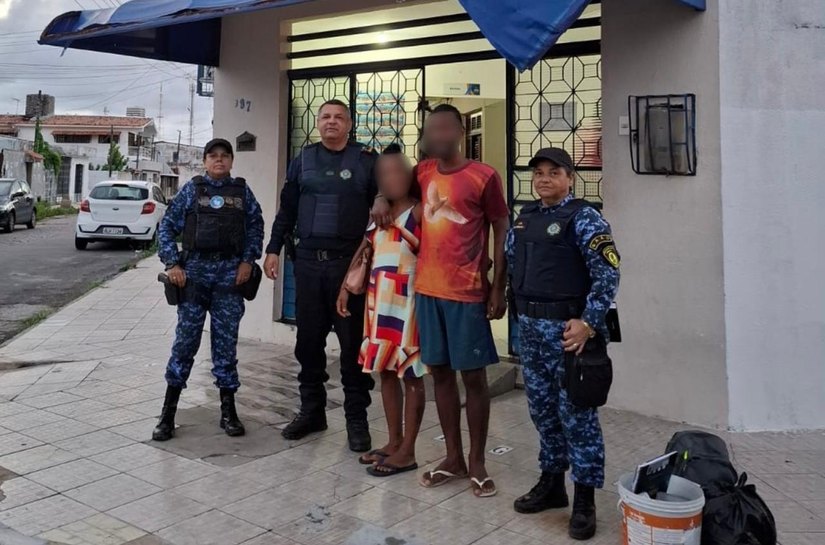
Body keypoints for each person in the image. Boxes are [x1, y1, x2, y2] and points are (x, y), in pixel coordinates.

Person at [263, 99, 391, 452]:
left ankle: (356, 419)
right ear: (317, 123)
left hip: (347, 269)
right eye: (325, 117)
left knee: (352, 346)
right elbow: (287, 209)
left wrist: (381, 197)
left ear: (350, 124)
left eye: (339, 117)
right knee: (308, 343)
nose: (331, 122)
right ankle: (312, 411)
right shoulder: (302, 160)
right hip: (306, 265)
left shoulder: (367, 160)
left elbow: (390, 196)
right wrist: (273, 248)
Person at [506, 147, 620, 540]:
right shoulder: (525, 218)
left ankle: (584, 499)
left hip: (568, 335)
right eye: (538, 173)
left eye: (553, 172)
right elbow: (513, 265)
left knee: (578, 416)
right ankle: (553, 483)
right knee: (542, 411)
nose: (543, 179)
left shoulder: (585, 218)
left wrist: (588, 323)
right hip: (531, 333)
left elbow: (607, 274)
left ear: (569, 177)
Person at [414, 104, 510, 498]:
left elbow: (502, 228)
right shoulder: (421, 173)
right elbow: (393, 196)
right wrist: (381, 201)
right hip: (427, 291)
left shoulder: (483, 176)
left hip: (466, 293)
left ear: (458, 130)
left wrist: (499, 285)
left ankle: (477, 461)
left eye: (442, 127)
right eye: (429, 128)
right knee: (438, 374)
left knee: (473, 378)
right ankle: (452, 457)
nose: (435, 133)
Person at [153, 138, 265, 441]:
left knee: (225, 346)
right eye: (213, 156)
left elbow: (256, 225)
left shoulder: (241, 192)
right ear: (205, 161)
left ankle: (228, 412)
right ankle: (168, 414)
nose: (219, 161)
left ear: (231, 161)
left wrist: (248, 260)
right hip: (194, 277)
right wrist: (172, 264)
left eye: (224, 156)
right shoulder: (193, 189)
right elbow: (166, 227)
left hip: (230, 277)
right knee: (185, 344)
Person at [336, 144, 426, 477]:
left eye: (400, 170)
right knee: (386, 373)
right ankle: (393, 441)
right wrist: (346, 286)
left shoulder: (418, 213)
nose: (394, 177)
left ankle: (409, 451)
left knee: (412, 376)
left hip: (409, 306)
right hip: (379, 306)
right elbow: (365, 248)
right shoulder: (379, 215)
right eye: (385, 173)